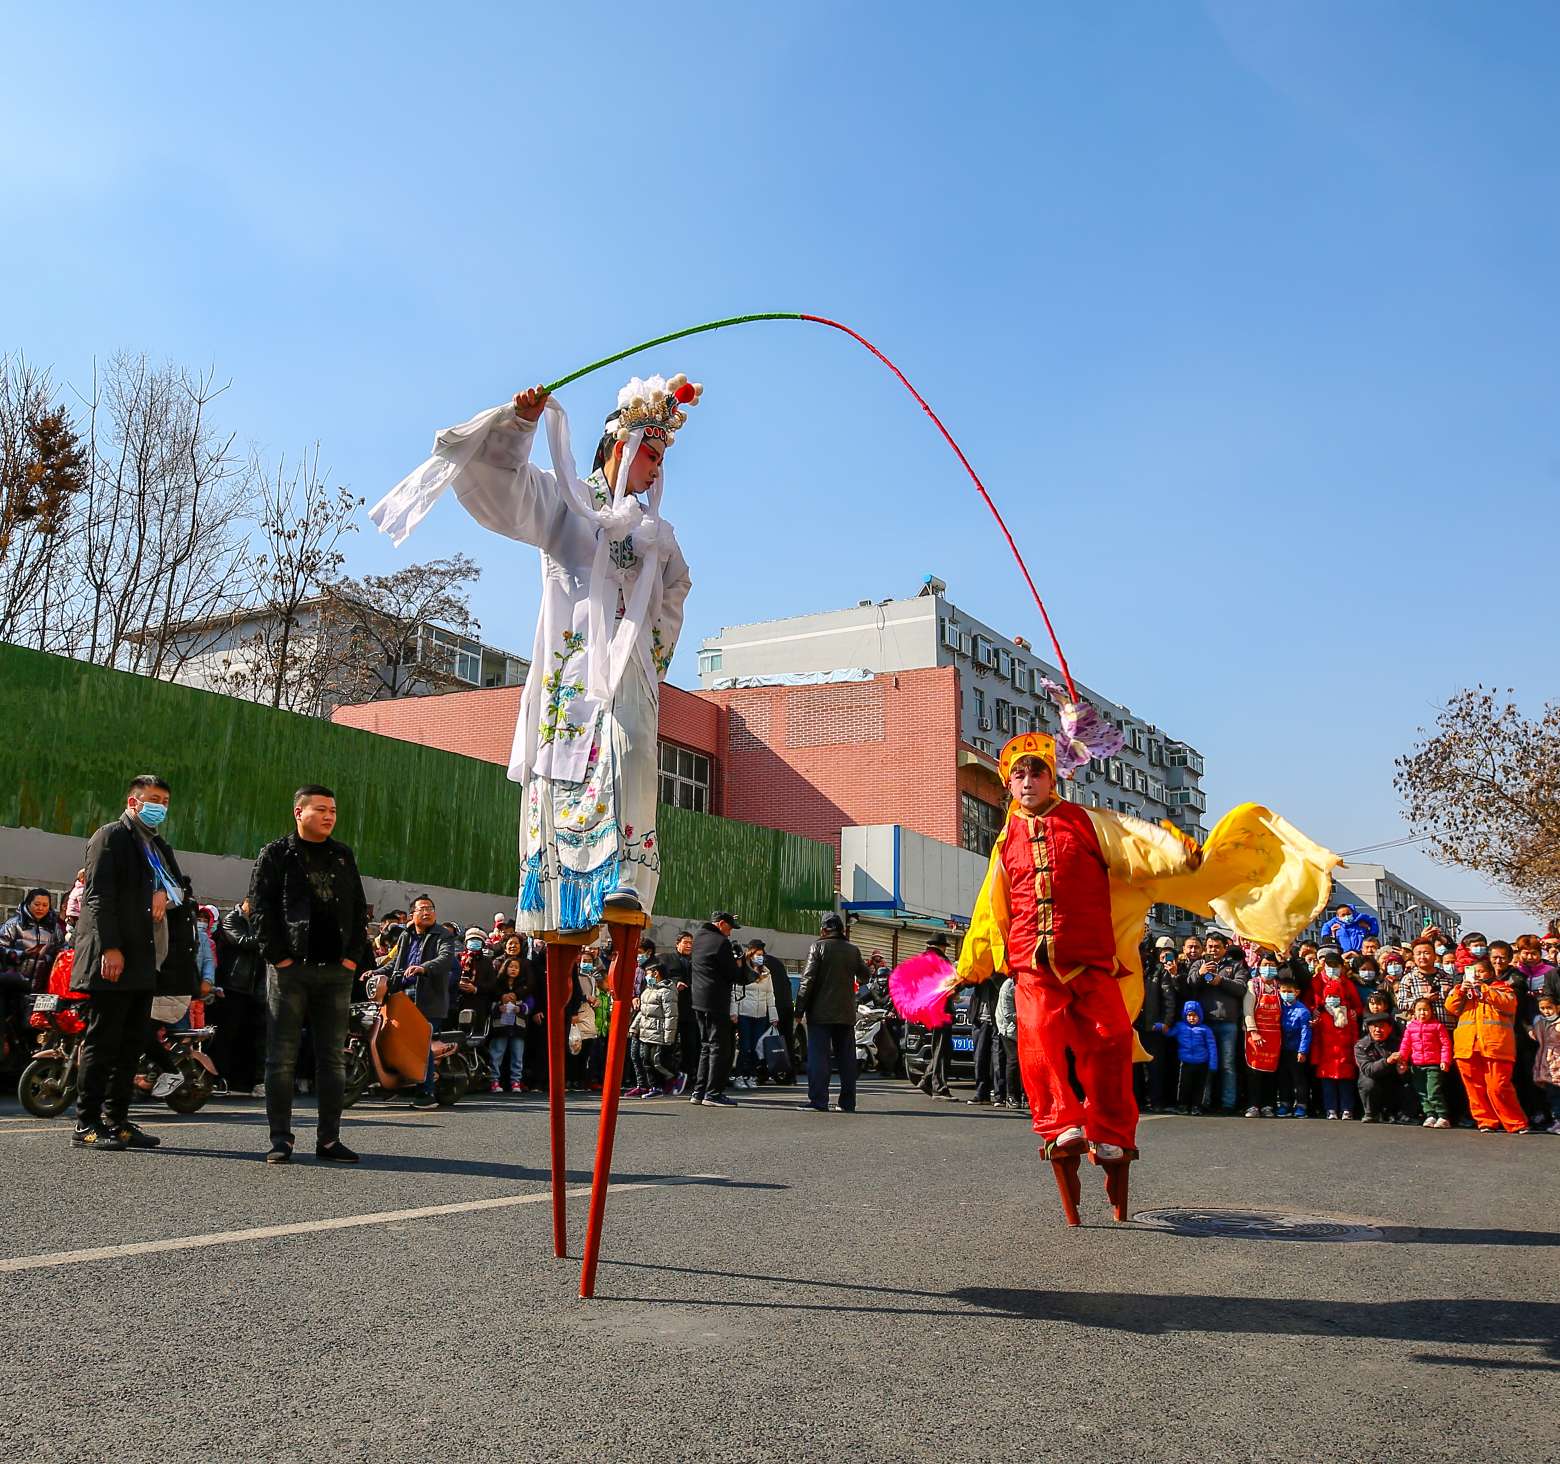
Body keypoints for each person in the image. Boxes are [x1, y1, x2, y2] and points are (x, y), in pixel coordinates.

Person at [371, 374, 696, 935]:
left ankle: (624, 877)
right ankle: (560, 893)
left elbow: (677, 588)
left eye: (662, 457)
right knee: (568, 767)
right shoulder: (568, 501)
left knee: (635, 746)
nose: (656, 467)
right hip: (571, 670)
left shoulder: (654, 532)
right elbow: (505, 490)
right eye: (651, 451)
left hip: (628, 668)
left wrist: (644, 644)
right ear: (621, 444)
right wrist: (521, 424)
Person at [957, 727, 1334, 1205]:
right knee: (1038, 1038)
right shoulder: (1004, 840)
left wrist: (1178, 852)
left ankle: (1110, 1131)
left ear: (1053, 779)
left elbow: (1139, 843)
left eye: (1037, 771)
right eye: (1019, 773)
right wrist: (972, 961)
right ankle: (1062, 1125)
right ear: (1008, 784)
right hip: (1034, 964)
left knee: (1111, 1040)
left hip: (1093, 959)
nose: (1028, 779)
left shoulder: (1090, 822)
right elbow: (992, 907)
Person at [69, 774, 198, 1152]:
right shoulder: (110, 837)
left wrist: (162, 891)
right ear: (133, 802)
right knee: (102, 1040)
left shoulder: (157, 846)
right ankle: (86, 1121)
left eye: (165, 801)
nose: (159, 806)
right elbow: (99, 897)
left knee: (129, 1045)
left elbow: (181, 889)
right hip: (114, 956)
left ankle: (117, 1119)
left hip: (146, 960)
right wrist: (110, 947)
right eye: (152, 798)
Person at [249, 785, 373, 1162]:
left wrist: (352, 958)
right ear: (298, 812)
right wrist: (279, 958)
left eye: (333, 810)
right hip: (290, 971)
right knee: (281, 1058)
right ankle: (281, 1140)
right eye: (320, 809)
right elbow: (260, 909)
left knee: (333, 1058)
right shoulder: (276, 854)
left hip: (336, 972)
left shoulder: (342, 855)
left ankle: (329, 1139)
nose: (329, 816)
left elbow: (357, 909)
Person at [377, 894, 458, 1111]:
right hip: (402, 995)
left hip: (429, 998)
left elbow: (445, 959)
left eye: (430, 908)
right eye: (421, 909)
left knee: (422, 1044)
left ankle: (427, 1092)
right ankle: (395, 1084)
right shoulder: (407, 935)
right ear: (412, 914)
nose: (427, 912)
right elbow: (396, 963)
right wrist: (375, 972)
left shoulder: (443, 935)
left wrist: (425, 968)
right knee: (389, 1036)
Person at [794, 912, 868, 1114]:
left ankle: (819, 1100)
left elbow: (807, 981)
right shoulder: (853, 950)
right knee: (846, 1060)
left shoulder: (818, 947)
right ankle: (847, 1102)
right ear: (842, 930)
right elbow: (865, 975)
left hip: (820, 1013)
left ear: (824, 929)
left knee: (819, 1058)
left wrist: (799, 1010)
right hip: (846, 1013)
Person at [1445, 955, 1528, 1134]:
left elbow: (1509, 1005)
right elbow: (1451, 1008)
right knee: (1474, 1088)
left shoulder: (1503, 988)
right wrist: (1460, 990)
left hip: (1496, 1046)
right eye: (1474, 972)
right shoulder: (1463, 991)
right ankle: (1486, 1121)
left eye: (1481, 972)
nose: (1477, 975)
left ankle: (1515, 1123)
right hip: (1467, 1046)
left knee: (1499, 1086)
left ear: (1490, 973)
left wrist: (1484, 989)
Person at [1185, 930, 1248, 1112]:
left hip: (1228, 1022)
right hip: (1204, 1023)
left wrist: (1221, 981)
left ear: (1225, 948)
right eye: (1210, 946)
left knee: (1227, 1064)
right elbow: (1189, 983)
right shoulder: (1199, 963)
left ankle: (1228, 1103)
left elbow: (1241, 988)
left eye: (1217, 947)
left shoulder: (1236, 965)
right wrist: (1201, 973)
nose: (1213, 950)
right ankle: (1204, 1102)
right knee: (1206, 1064)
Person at [212, 897, 266, 1096]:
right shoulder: (231, 919)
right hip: (233, 985)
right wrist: (265, 936)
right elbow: (243, 941)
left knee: (250, 1036)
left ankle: (243, 1081)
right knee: (227, 1034)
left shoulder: (257, 923)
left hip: (252, 988)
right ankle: (219, 1078)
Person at [689, 912, 742, 1107]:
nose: (729, 933)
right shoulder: (720, 942)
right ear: (721, 924)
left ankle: (699, 1090)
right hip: (716, 1000)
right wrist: (738, 961)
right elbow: (733, 973)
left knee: (706, 1046)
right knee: (719, 1047)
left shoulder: (699, 939)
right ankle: (713, 1093)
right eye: (729, 928)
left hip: (698, 999)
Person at [1311, 958, 1361, 1120]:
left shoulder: (1348, 1015)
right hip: (1327, 1057)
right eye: (1330, 996)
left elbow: (1355, 1036)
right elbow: (1317, 1038)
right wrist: (1316, 1056)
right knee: (1328, 1086)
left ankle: (1347, 1108)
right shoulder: (1322, 1017)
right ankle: (1330, 1108)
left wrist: (1354, 1056)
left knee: (1346, 1084)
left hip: (1345, 1056)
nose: (1333, 998)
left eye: (1336, 996)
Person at [1137, 942, 1180, 1113]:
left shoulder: (1158, 970)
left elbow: (1168, 998)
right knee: (1134, 1067)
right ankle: (1137, 1101)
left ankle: (1157, 1101)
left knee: (1156, 1066)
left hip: (1153, 1025)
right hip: (1132, 1025)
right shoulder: (1125, 966)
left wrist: (1166, 1022)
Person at [1399, 996, 1453, 1128]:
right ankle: (1430, 1115)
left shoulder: (1438, 1026)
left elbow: (1446, 1044)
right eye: (1419, 1010)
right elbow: (1405, 1046)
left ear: (1431, 1011)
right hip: (1416, 1065)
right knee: (1421, 1091)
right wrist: (1402, 1061)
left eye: (1426, 1010)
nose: (1422, 1013)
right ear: (1414, 1012)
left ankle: (1442, 1116)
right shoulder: (1411, 1027)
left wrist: (1445, 1060)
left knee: (1433, 1090)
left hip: (1433, 1065)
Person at [627, 960, 679, 1097]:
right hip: (645, 1031)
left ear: (656, 973)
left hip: (658, 1032)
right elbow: (642, 1012)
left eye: (648, 974)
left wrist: (669, 1036)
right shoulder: (648, 990)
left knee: (657, 1061)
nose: (646, 977)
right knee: (645, 1060)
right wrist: (634, 1027)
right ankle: (654, 1087)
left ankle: (674, 1077)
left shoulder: (666, 992)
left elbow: (671, 1016)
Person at [731, 945, 780, 1089]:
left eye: (762, 955)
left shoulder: (767, 973)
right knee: (745, 1046)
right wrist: (734, 1012)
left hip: (761, 1015)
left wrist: (773, 1016)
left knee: (756, 1048)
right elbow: (736, 993)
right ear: (750, 956)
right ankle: (739, 1075)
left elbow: (770, 995)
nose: (760, 957)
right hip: (745, 1014)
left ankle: (752, 1075)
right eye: (757, 955)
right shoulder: (744, 972)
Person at [915, 933, 956, 1099]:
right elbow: (950, 985)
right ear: (943, 946)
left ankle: (926, 1079)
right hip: (941, 1009)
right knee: (941, 1049)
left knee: (941, 1047)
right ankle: (939, 1087)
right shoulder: (942, 961)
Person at [1242, 954, 1283, 1118]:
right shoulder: (1253, 985)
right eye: (1265, 964)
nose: (1268, 968)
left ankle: (1268, 1105)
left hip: (1274, 1036)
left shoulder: (1278, 986)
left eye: (1272, 964)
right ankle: (1253, 1105)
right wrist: (1253, 1030)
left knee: (1271, 1072)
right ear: (1259, 966)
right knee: (1254, 1072)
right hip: (1256, 1034)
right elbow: (1248, 1009)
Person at [1355, 1011, 1408, 1123]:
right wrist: (1388, 1061)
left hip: (1393, 1080)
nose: (1377, 1030)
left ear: (1390, 1028)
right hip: (1374, 1079)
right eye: (1374, 1027)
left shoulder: (1399, 1043)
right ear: (1368, 1028)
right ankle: (1371, 1113)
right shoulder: (1361, 1046)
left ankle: (1402, 1113)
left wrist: (1403, 1070)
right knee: (1368, 1083)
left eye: (1382, 1026)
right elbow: (1368, 1069)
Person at [662, 929, 698, 1093]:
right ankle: (668, 1076)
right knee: (669, 1045)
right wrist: (674, 983)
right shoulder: (667, 959)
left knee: (690, 1045)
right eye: (686, 942)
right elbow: (662, 977)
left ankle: (689, 1076)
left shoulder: (696, 961)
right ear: (677, 944)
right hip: (672, 1009)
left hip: (691, 1010)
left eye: (691, 943)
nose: (689, 945)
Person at [747, 939, 795, 1058]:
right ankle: (788, 1071)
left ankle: (765, 1070)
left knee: (766, 1042)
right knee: (786, 1042)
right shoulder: (776, 962)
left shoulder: (760, 965)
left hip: (771, 1007)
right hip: (787, 1005)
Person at [1168, 1000, 1218, 1114]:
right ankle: (1182, 1105)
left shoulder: (1205, 1030)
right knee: (1184, 1085)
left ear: (1199, 1016)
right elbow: (1169, 1033)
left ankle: (1197, 1106)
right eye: (1189, 1015)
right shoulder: (1180, 1027)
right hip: (1185, 1062)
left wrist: (1213, 1063)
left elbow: (1212, 1047)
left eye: (1194, 1016)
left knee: (1199, 1086)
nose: (1192, 1018)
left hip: (1202, 1062)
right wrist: (1161, 1027)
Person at [487, 963, 530, 1093]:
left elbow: (530, 1004)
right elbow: (489, 1003)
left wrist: (520, 1008)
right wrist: (498, 1008)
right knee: (496, 1053)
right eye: (510, 966)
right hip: (501, 1025)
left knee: (517, 1055)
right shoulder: (497, 985)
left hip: (518, 1026)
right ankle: (494, 1081)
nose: (513, 969)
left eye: (517, 967)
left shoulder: (524, 987)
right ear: (505, 968)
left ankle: (516, 1081)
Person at [1275, 975, 1312, 1117]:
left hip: (1296, 1050)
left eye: (1289, 991)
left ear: (1297, 992)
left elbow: (1305, 1032)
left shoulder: (1302, 1011)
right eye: (1283, 991)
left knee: (1299, 1079)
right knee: (1284, 1078)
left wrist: (1303, 1050)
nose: (1286, 994)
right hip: (1281, 1049)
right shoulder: (1279, 1007)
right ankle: (1285, 1103)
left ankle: (1302, 1105)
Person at [967, 973, 1003, 1105]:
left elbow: (1004, 985)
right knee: (979, 1058)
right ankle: (982, 1093)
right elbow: (967, 982)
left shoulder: (1000, 969)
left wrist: (992, 974)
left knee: (997, 1060)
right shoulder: (978, 970)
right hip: (979, 1019)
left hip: (996, 1020)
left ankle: (1000, 1094)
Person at [1529, 991, 1560, 1135]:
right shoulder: (1541, 1023)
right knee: (1551, 1095)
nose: (1546, 1011)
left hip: (1557, 1063)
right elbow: (1534, 1034)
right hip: (1546, 1064)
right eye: (1543, 1008)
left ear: (1557, 1008)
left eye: (1549, 1008)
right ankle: (1556, 1120)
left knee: (1556, 1095)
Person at [995, 973, 1022, 1109]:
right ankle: (1011, 1096)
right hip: (1008, 1029)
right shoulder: (1008, 986)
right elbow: (1008, 1014)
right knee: (1013, 1060)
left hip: (1023, 1028)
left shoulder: (1026, 983)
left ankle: (1023, 1095)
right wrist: (1028, 1015)